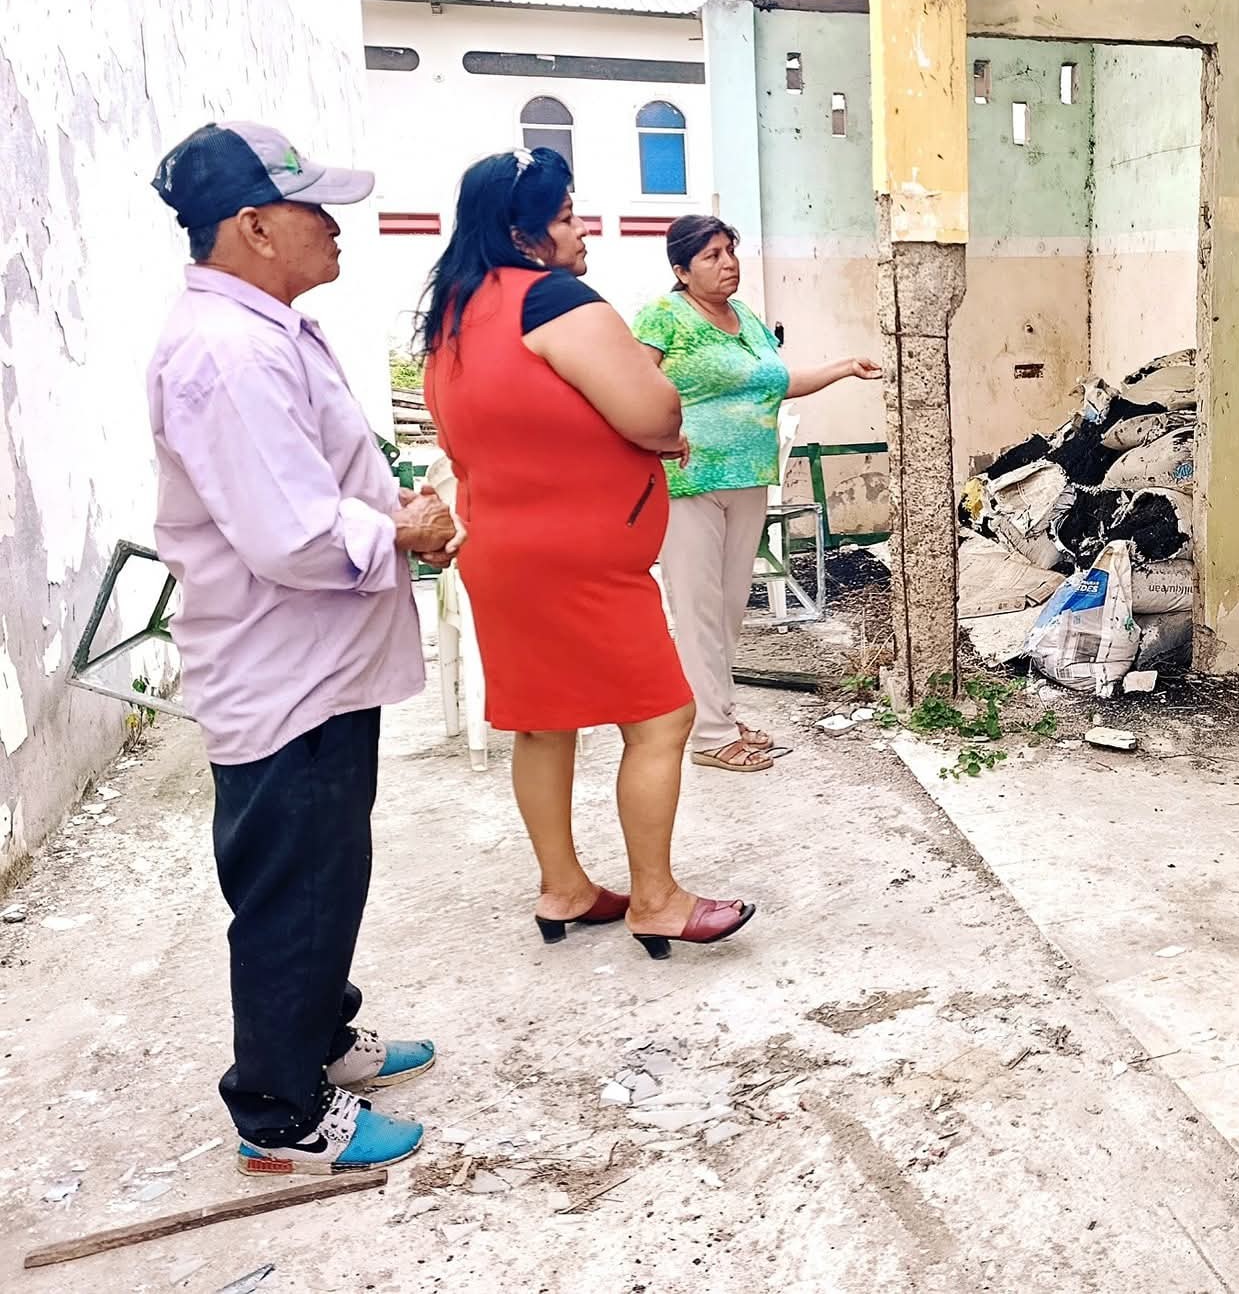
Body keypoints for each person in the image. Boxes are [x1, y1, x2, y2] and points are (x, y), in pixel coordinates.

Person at [147, 121, 452, 1173]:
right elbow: (290, 534)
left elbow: (313, 485)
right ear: (254, 226)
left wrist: (394, 514)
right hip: (283, 670)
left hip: (316, 662)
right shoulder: (227, 353)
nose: (333, 225)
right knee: (295, 890)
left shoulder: (263, 330)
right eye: (312, 207)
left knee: (328, 868)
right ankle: (280, 1116)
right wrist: (403, 531)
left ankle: (319, 1039)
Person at [421, 150, 753, 957]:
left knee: (543, 723)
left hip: (502, 548)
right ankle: (657, 898)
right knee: (663, 718)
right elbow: (652, 410)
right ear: (522, 232)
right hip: (580, 560)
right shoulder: (551, 299)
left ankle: (564, 887)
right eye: (567, 217)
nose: (582, 232)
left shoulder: (456, 313)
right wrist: (661, 427)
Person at [632, 217, 882, 775]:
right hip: (687, 482)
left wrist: (844, 368)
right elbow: (629, 384)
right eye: (712, 256)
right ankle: (709, 735)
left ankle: (716, 715)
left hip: (746, 479)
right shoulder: (663, 317)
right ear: (681, 270)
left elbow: (777, 383)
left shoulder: (743, 317)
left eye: (730, 251)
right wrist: (654, 437)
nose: (728, 264)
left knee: (726, 608)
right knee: (697, 607)